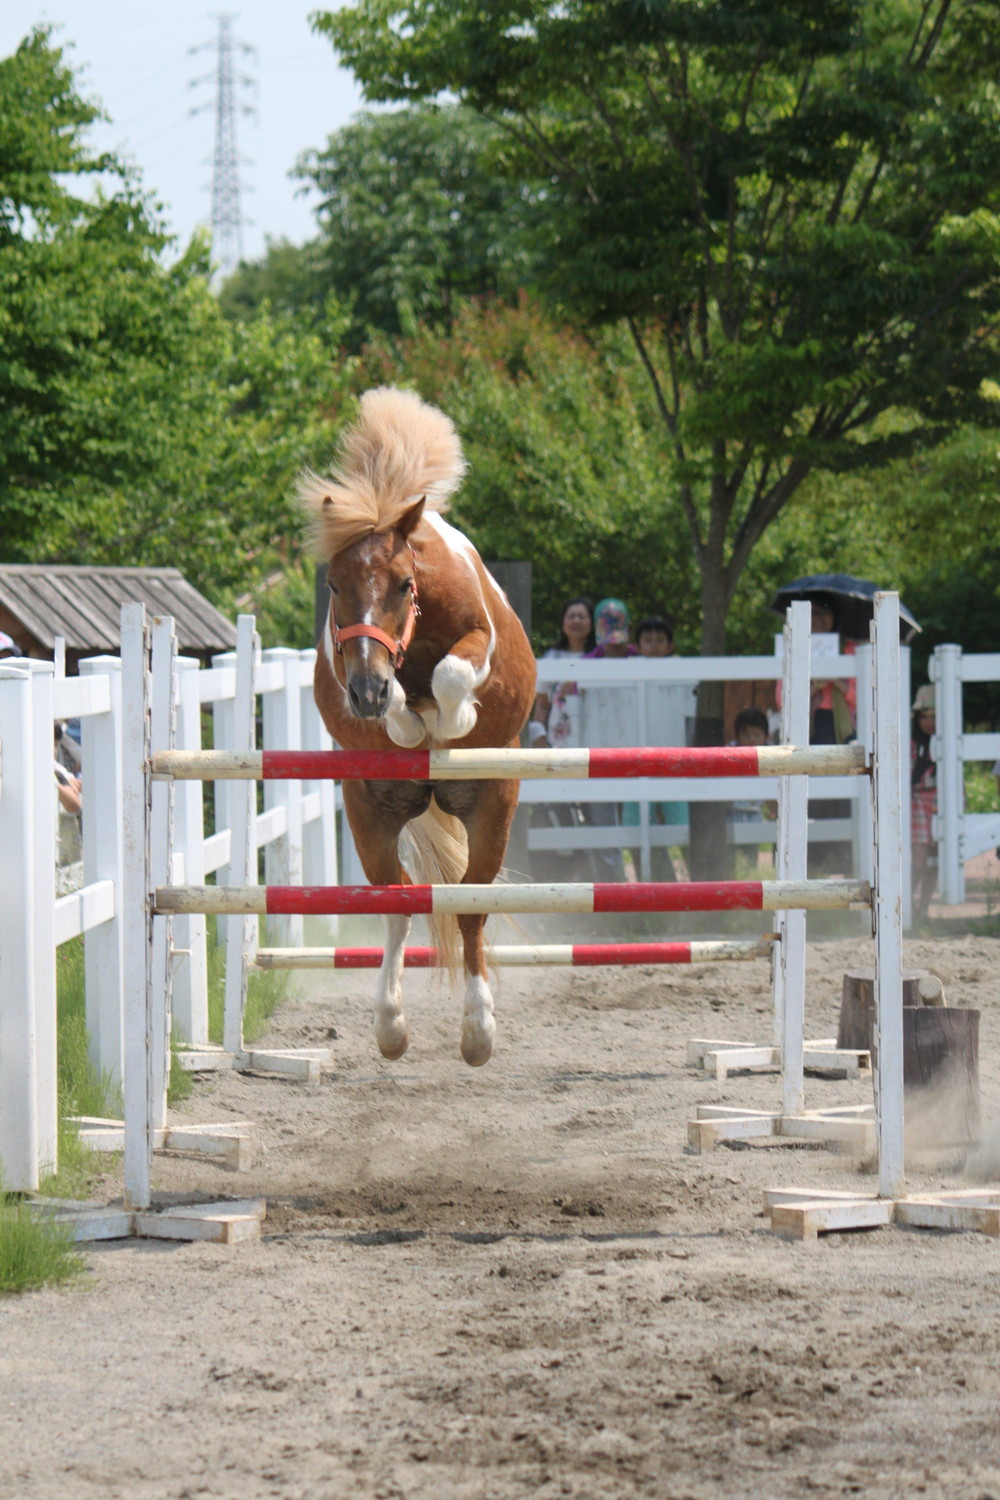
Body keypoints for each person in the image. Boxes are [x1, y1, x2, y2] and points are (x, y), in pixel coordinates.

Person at [528, 597, 595, 750]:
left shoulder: (598, 656)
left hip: (594, 731)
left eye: (582, 616)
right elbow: (542, 704)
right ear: (563, 622)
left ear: (591, 622)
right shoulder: (552, 657)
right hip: (558, 740)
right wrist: (540, 738)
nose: (576, 620)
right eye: (571, 616)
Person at [911, 684, 938, 922]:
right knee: (919, 856)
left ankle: (924, 907)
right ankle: (909, 903)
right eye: (925, 717)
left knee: (937, 856)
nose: (929, 722)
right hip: (918, 801)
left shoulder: (947, 742)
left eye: (934, 717)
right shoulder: (913, 743)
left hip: (940, 800)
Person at [728, 707, 773, 824]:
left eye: (757, 735)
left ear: (766, 736)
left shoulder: (773, 755)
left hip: (761, 807)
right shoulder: (729, 754)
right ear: (737, 737)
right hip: (735, 807)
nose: (752, 740)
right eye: (746, 736)